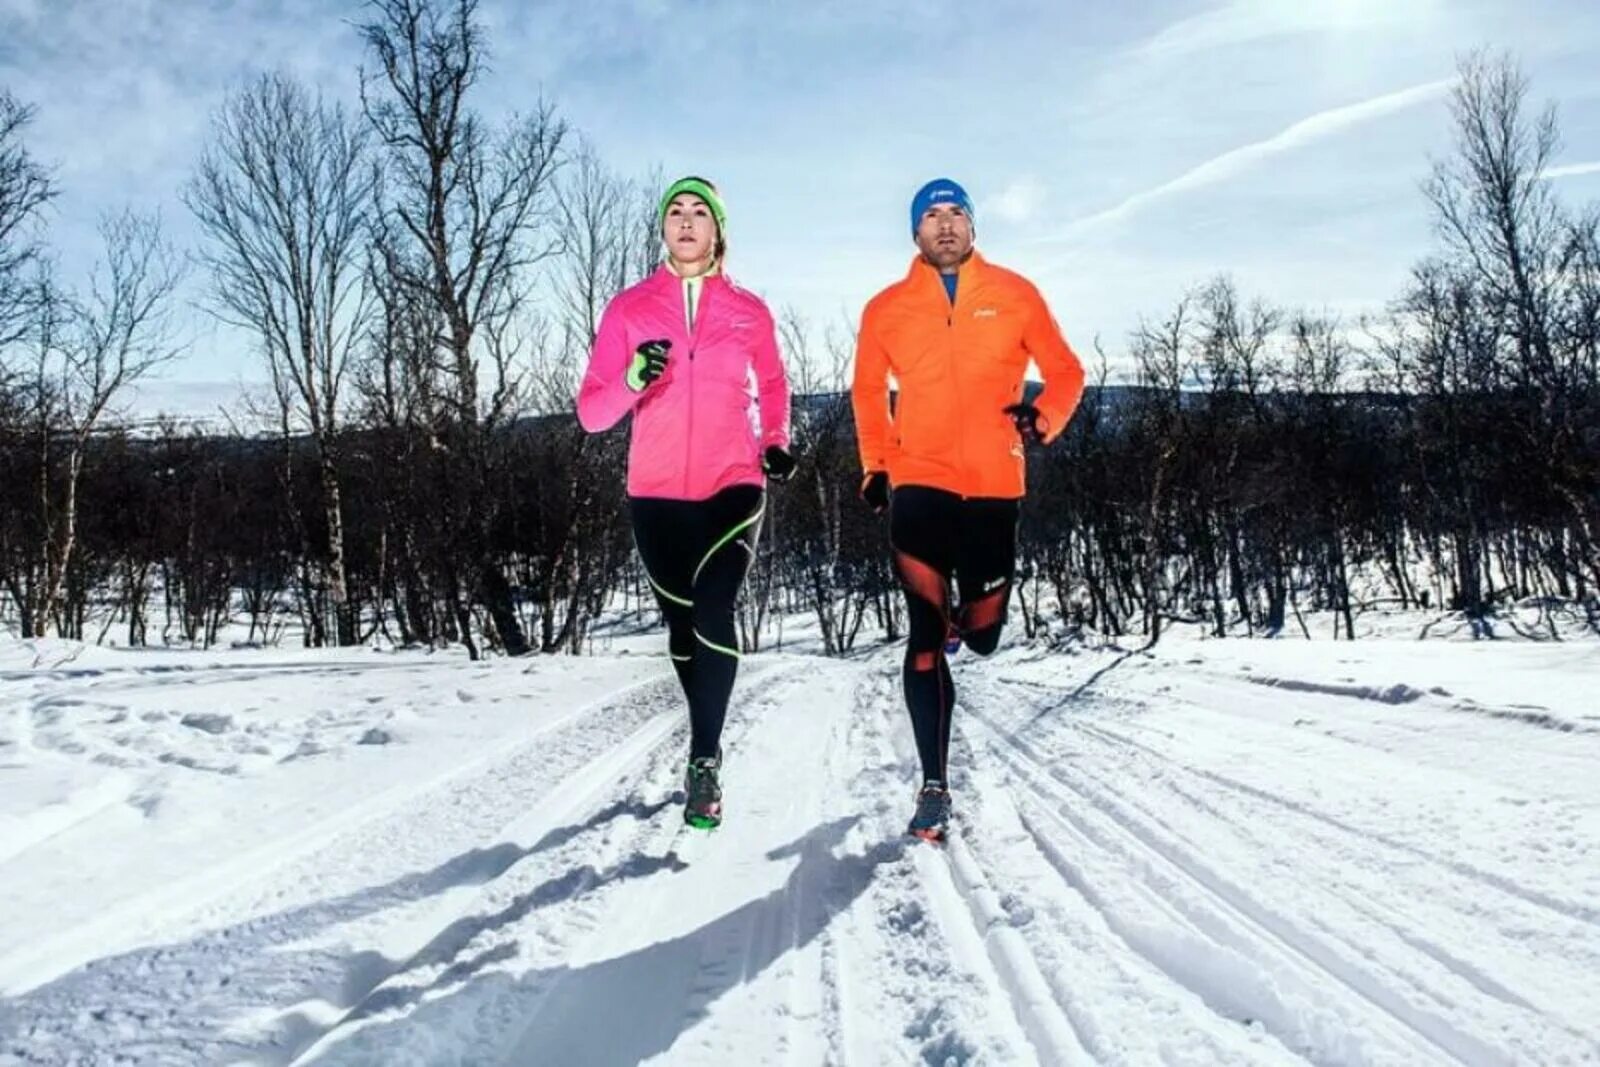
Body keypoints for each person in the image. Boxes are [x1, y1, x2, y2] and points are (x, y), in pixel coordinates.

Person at [851, 177, 1085, 841]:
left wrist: (1044, 417)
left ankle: (965, 622)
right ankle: (933, 785)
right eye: (932, 215)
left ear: (973, 227)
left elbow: (1067, 371)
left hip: (992, 485)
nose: (945, 224)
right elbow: (869, 391)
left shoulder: (1016, 294)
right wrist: (875, 465)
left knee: (981, 635)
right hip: (918, 482)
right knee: (923, 637)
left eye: (957, 213)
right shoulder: (886, 309)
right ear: (914, 233)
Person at [578, 176, 794, 829]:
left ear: (718, 230)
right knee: (683, 631)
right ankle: (706, 728)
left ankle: (704, 760)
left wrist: (777, 440)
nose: (687, 220)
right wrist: (631, 378)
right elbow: (592, 412)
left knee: (714, 608)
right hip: (656, 493)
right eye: (676, 211)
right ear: (664, 228)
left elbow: (777, 383)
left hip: (733, 483)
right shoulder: (629, 308)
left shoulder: (749, 310)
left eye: (700, 211)